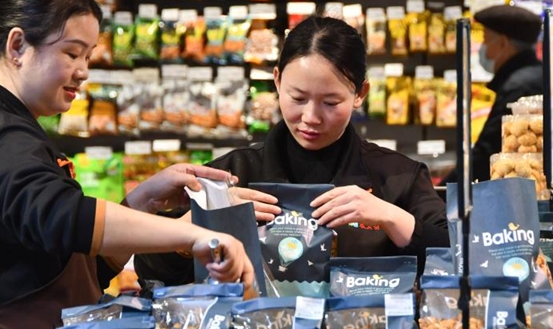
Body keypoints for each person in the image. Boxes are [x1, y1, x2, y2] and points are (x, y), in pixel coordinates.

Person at [0, 0, 253, 329]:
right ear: (18, 45)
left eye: (88, 55)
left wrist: (141, 200)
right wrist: (192, 235)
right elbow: (62, 217)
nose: (84, 70)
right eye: (72, 53)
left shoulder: (10, 127)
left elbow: (67, 263)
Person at [136, 16, 449, 286]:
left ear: (360, 94)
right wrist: (197, 227)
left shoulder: (398, 177)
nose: (311, 118)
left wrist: (393, 218)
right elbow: (150, 269)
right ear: (277, 80)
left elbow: (457, 257)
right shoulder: (232, 175)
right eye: (298, 98)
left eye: (330, 103)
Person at [456, 4, 544, 183]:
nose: (483, 48)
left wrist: (442, 192)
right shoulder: (537, 74)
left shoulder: (519, 86)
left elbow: (488, 150)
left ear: (503, 43)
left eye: (486, 40)